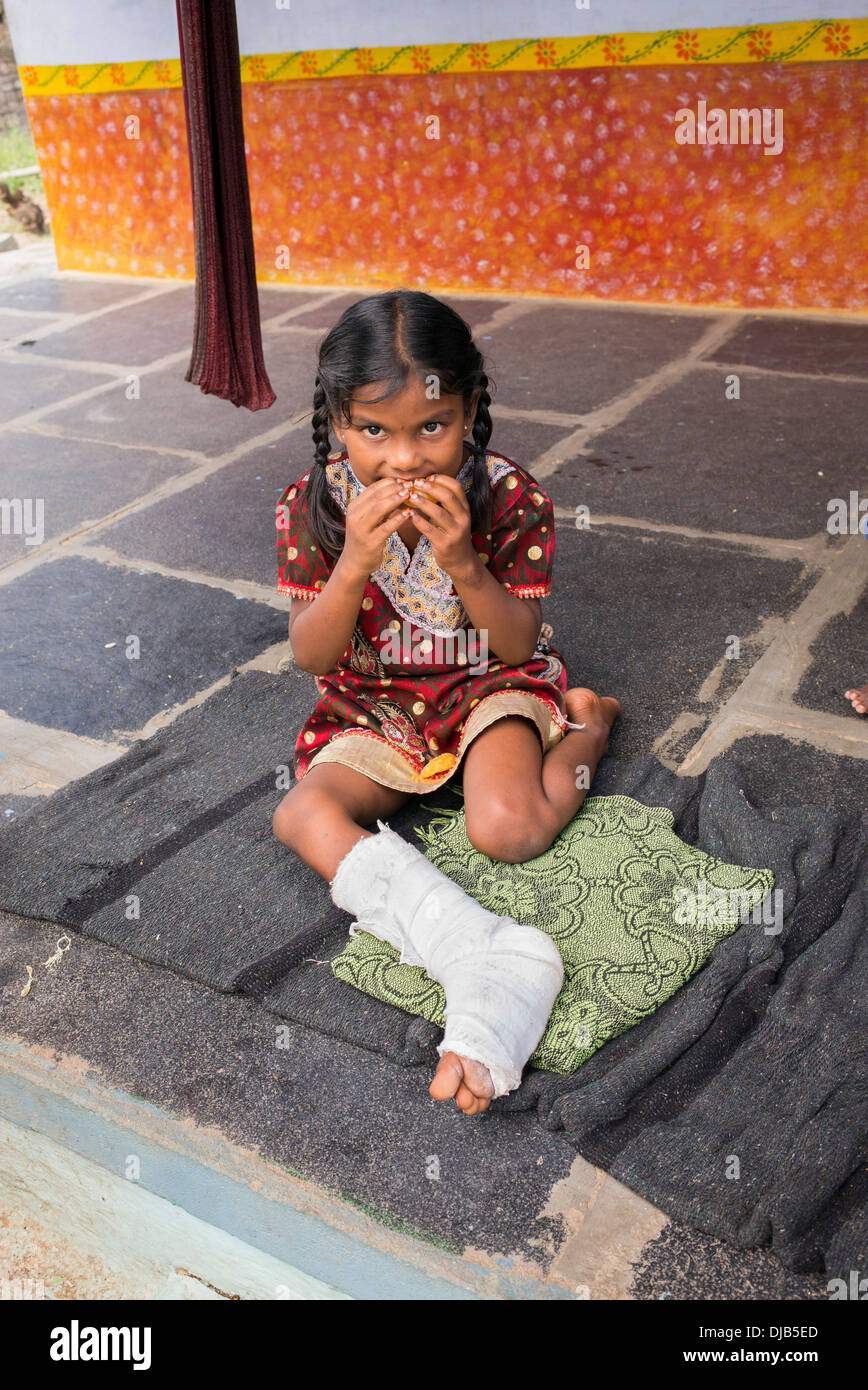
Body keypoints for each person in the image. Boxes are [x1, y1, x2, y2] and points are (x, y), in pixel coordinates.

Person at [272, 289, 621, 1115]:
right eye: (373, 431)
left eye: (431, 426)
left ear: (470, 411)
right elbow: (311, 655)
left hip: (484, 684)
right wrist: (354, 561)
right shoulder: (312, 508)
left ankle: (591, 728)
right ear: (335, 420)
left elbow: (513, 644)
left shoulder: (508, 498)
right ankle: (470, 947)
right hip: (378, 705)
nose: (403, 460)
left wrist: (464, 561)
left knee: (510, 830)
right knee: (300, 816)